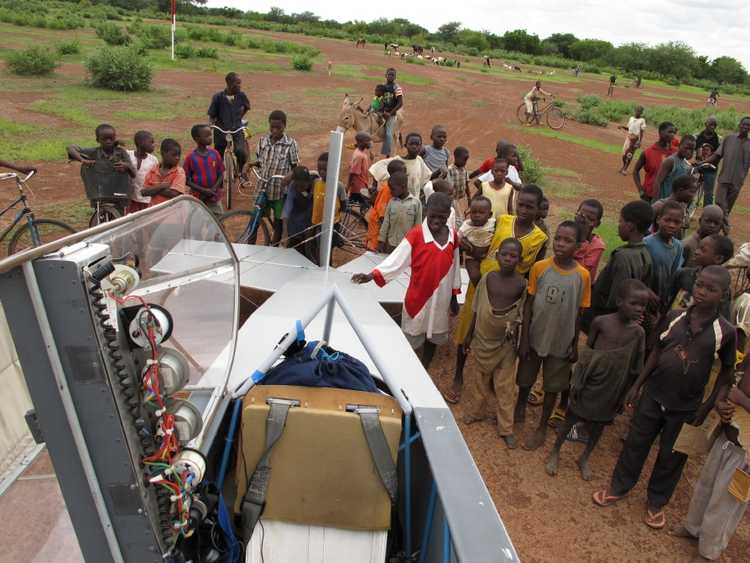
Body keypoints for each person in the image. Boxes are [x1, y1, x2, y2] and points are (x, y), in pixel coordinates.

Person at [593, 266, 737, 531]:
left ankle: (656, 501)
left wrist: (707, 406)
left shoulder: (726, 332)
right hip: (653, 395)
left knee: (673, 455)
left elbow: (727, 372)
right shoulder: (674, 317)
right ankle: (620, 485)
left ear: (724, 294)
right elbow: (656, 352)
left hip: (687, 407)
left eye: (711, 289)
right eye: (700, 285)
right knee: (636, 442)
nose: (702, 291)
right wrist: (637, 385)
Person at [446, 185, 548, 404]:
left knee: (499, 338)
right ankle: (458, 375)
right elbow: (483, 249)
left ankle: (490, 378)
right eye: (521, 204)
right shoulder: (502, 221)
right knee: (467, 330)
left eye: (530, 206)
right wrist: (470, 253)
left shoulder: (540, 238)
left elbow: (533, 273)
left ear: (539, 209)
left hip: (508, 299)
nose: (523, 209)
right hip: (480, 285)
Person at [545, 279, 647, 480]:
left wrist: (629, 391)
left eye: (642, 305)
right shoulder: (601, 322)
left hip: (613, 388)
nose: (639, 309)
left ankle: (584, 457)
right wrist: (577, 380)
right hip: (590, 382)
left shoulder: (638, 333)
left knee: (599, 425)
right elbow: (587, 353)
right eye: (633, 303)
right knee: (571, 418)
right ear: (619, 301)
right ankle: (555, 450)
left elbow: (636, 366)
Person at [352, 192, 459, 368]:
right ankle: (407, 366)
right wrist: (372, 275)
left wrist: (454, 297)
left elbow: (455, 268)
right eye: (433, 216)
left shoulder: (453, 236)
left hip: (441, 298)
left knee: (434, 331)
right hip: (418, 298)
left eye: (442, 216)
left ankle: (425, 365)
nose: (437, 220)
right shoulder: (416, 235)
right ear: (426, 211)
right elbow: (397, 260)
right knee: (413, 333)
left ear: (449, 215)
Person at [515, 220, 591, 451]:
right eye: (558, 238)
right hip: (536, 336)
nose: (560, 244)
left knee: (552, 386)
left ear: (578, 246)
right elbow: (529, 304)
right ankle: (520, 406)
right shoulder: (540, 267)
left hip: (561, 341)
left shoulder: (583, 276)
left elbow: (579, 313)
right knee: (526, 377)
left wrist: (575, 344)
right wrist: (525, 337)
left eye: (568, 240)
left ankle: (541, 426)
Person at [671, 362, 749, 562]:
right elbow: (729, 380)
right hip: (725, 437)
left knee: (725, 503)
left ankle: (708, 551)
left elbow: (738, 394)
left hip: (745, 454)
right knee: (705, 487)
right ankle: (693, 527)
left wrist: (742, 400)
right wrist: (720, 402)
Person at [463, 238, 527, 449]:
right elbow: (476, 308)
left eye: (513, 256)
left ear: (519, 260)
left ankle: (506, 428)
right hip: (482, 339)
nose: (508, 259)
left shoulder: (521, 284)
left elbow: (522, 315)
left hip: (505, 345)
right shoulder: (487, 279)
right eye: (505, 254)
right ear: (497, 256)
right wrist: (468, 335)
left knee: (505, 387)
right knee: (480, 380)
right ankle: (476, 412)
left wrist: (519, 341)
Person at [587, 200, 654, 327]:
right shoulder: (645, 253)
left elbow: (616, 299)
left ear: (630, 226)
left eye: (620, 221)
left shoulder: (622, 256)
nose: (618, 225)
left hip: (607, 319)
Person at [253, 110, 300, 244]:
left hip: (280, 191)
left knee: (279, 221)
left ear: (284, 126)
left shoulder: (291, 144)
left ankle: (274, 246)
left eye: (278, 128)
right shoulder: (263, 141)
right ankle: (250, 244)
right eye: (272, 127)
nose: (274, 131)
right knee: (255, 219)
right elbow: (259, 161)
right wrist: (248, 164)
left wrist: (288, 177)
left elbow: (295, 167)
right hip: (262, 188)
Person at [67, 123, 135, 201]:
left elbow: (133, 173)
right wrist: (83, 160)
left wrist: (126, 166)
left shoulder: (121, 152)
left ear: (115, 138)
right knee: (100, 209)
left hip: (118, 191)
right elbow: (71, 148)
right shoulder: (94, 152)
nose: (108, 141)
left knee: (119, 211)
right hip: (100, 192)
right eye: (104, 139)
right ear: (98, 140)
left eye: (111, 138)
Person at [669, 234, 733, 317]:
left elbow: (723, 316)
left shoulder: (721, 288)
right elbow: (669, 300)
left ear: (718, 259)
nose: (696, 252)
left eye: (703, 250)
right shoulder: (684, 274)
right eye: (698, 247)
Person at [645, 200, 684, 313]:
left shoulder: (678, 246)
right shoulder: (647, 243)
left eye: (677, 222)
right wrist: (646, 290)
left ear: (682, 224)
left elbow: (675, 273)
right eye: (667, 220)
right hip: (645, 296)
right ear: (658, 220)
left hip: (663, 298)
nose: (671, 225)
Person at [369, 132, 434, 200]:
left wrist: (439, 172)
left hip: (414, 200)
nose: (414, 146)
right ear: (405, 145)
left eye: (417, 144)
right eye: (411, 144)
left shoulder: (419, 160)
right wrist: (374, 185)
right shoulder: (398, 161)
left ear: (421, 146)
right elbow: (376, 167)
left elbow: (426, 176)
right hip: (398, 200)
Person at [207, 72, 250, 173]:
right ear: (229, 83)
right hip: (221, 129)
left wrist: (239, 118)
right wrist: (211, 124)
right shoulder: (218, 97)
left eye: (240, 83)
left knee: (240, 151)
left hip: (237, 128)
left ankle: (241, 170)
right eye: (237, 83)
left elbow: (246, 107)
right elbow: (212, 115)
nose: (240, 86)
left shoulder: (241, 96)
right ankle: (219, 176)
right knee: (218, 153)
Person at [708, 116, 750, 217]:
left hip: (737, 182)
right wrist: (703, 163)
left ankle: (720, 225)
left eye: (748, 125)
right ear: (739, 125)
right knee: (719, 203)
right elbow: (716, 155)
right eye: (744, 124)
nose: (745, 127)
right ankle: (723, 224)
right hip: (724, 178)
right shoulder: (729, 138)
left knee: (728, 208)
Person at [183, 124, 225, 217]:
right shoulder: (190, 158)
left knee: (219, 222)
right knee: (197, 222)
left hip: (214, 197)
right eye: (207, 136)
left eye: (211, 135)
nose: (210, 138)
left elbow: (221, 173)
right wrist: (203, 190)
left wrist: (213, 189)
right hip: (198, 198)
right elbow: (187, 180)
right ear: (197, 139)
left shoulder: (215, 154)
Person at [311, 152, 348, 254]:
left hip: (332, 224)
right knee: (319, 247)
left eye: (325, 170)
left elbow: (344, 204)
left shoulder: (338, 186)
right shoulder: (316, 183)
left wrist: (337, 212)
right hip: (317, 222)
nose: (322, 172)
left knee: (327, 249)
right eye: (320, 169)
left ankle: (328, 265)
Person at [366, 159, 405, 251]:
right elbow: (382, 216)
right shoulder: (388, 190)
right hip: (378, 233)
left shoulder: (394, 187)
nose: (405, 175)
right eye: (403, 172)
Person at [632, 121, 677, 203]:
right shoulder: (648, 152)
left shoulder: (676, 153)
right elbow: (635, 171)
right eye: (670, 132)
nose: (672, 135)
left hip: (667, 197)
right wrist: (640, 190)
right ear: (660, 132)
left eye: (674, 132)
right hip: (648, 196)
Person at [378, 171, 421, 253]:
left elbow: (418, 226)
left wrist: (416, 244)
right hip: (391, 245)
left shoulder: (416, 203)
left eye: (393, 189)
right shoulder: (391, 202)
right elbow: (386, 222)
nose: (390, 192)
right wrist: (381, 240)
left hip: (407, 246)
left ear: (403, 187)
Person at [651, 174, 698, 240]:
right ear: (680, 190)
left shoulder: (682, 207)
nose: (693, 196)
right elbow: (644, 228)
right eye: (692, 192)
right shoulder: (659, 206)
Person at [281, 166, 314, 257]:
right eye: (297, 185)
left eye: (302, 186)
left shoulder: (316, 183)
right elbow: (287, 209)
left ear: (308, 181)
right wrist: (284, 234)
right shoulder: (292, 187)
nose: (299, 188)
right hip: (296, 226)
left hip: (311, 226)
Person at [142, 138, 186, 207]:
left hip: (172, 212)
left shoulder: (179, 172)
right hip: (154, 211)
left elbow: (174, 194)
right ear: (163, 153)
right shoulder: (153, 170)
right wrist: (162, 186)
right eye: (174, 155)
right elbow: (143, 192)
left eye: (179, 155)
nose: (177, 158)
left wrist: (153, 189)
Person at [653, 135, 696, 200]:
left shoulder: (685, 164)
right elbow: (657, 182)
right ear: (679, 145)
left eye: (692, 150)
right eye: (686, 148)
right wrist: (656, 202)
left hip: (673, 204)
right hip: (663, 202)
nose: (689, 151)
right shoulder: (670, 161)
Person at [126, 130, 158, 214]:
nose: (153, 145)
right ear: (140, 143)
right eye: (151, 142)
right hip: (131, 198)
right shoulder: (128, 155)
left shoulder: (153, 160)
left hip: (146, 199)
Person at [574, 199, 606, 280]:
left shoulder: (597, 246)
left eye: (590, 219)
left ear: (597, 224)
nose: (583, 220)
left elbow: (581, 273)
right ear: (575, 214)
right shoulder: (567, 234)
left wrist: (582, 239)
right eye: (581, 215)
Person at [459, 195, 495, 262]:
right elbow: (458, 238)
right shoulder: (466, 226)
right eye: (473, 212)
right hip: (472, 257)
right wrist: (465, 244)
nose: (477, 215)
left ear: (490, 215)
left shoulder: (493, 223)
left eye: (481, 213)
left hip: (489, 255)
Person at [381, 68, 404, 157]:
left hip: (391, 114)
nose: (390, 76)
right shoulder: (383, 86)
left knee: (388, 133)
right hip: (382, 111)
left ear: (395, 77)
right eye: (389, 74)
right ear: (385, 75)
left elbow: (400, 103)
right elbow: (380, 99)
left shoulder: (397, 88)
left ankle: (387, 155)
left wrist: (390, 113)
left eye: (392, 75)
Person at [618, 106, 646, 174]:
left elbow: (641, 132)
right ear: (635, 111)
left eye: (639, 111)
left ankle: (625, 169)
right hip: (628, 138)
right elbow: (628, 128)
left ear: (641, 113)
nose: (637, 112)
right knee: (624, 154)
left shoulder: (642, 120)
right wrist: (622, 127)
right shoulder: (631, 118)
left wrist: (639, 141)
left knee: (629, 154)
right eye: (636, 111)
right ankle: (624, 166)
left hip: (635, 139)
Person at [347, 132, 372, 206]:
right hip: (359, 188)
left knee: (357, 206)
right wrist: (348, 186)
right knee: (367, 205)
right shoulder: (359, 156)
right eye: (367, 141)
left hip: (361, 186)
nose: (370, 143)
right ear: (360, 142)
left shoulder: (359, 152)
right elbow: (352, 172)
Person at [446, 146, 471, 211]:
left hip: (460, 199)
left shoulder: (464, 170)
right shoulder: (450, 170)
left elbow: (466, 185)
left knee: (460, 213)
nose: (465, 162)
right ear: (456, 158)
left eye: (466, 160)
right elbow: (446, 186)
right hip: (451, 199)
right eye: (464, 159)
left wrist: (469, 198)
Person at [694, 142, 718, 206]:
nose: (705, 151)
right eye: (704, 150)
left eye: (707, 150)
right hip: (701, 173)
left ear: (711, 152)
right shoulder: (700, 157)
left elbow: (712, 166)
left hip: (710, 173)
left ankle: (707, 207)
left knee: (708, 192)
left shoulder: (713, 158)